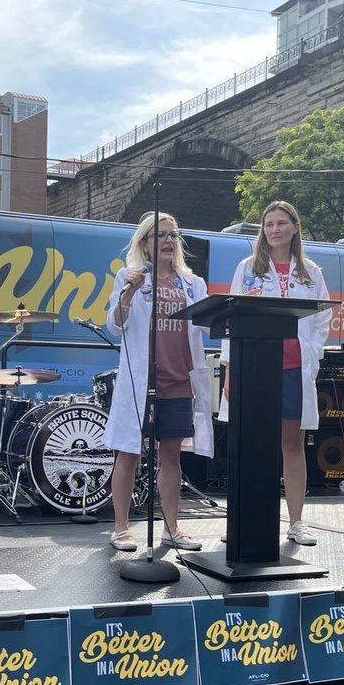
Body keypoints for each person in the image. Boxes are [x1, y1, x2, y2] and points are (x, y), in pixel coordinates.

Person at [219, 200, 332, 547]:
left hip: (295, 368)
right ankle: (243, 519)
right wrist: (229, 369)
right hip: (254, 366)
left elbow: (323, 318)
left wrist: (311, 352)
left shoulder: (311, 272)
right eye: (269, 224)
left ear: (295, 227)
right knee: (252, 444)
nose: (275, 230)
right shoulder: (248, 267)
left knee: (292, 443)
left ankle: (296, 522)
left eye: (282, 223)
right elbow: (231, 316)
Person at [102, 211, 214, 552]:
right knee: (128, 454)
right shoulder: (129, 276)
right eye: (161, 235)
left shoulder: (193, 283)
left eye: (173, 235)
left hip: (179, 380)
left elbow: (205, 326)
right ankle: (121, 527)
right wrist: (129, 294)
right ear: (145, 244)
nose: (168, 241)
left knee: (172, 457)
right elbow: (115, 324)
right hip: (142, 382)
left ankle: (172, 528)